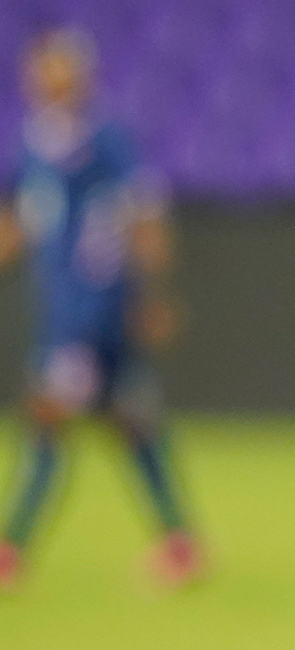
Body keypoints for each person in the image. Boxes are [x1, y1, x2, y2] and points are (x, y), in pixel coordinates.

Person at [0, 29, 200, 589]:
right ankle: (181, 543)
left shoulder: (105, 139)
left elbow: (144, 216)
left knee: (44, 416)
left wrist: (153, 294)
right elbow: (19, 218)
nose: (42, 78)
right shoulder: (35, 141)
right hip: (66, 309)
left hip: (93, 311)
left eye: (55, 68)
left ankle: (11, 549)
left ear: (77, 76)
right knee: (131, 423)